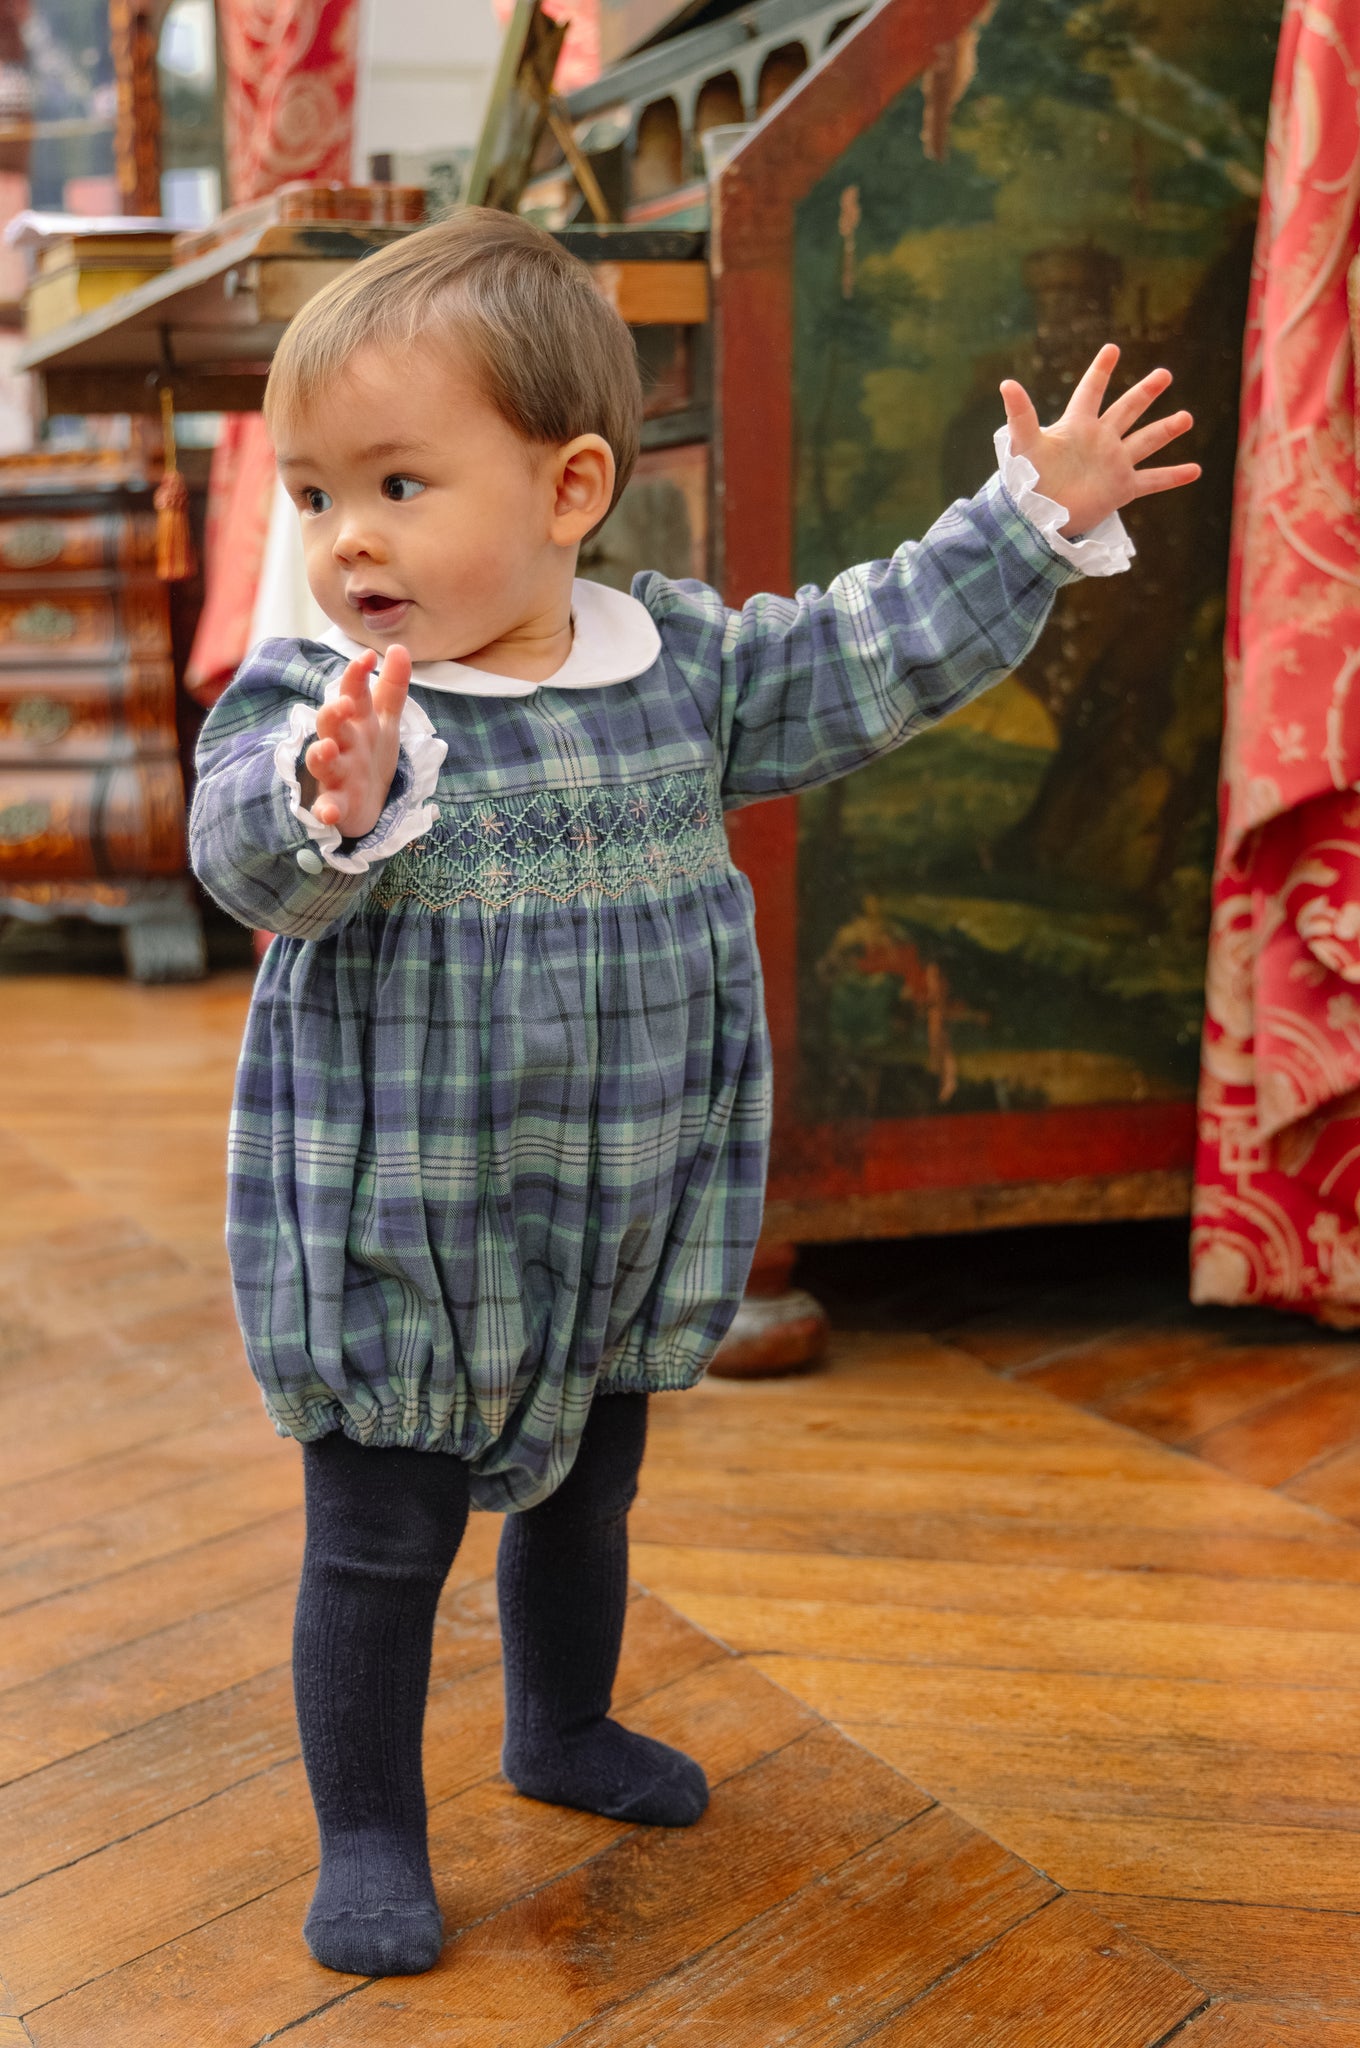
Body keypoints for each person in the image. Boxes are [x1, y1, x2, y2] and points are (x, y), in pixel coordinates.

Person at [189, 207, 1199, 1978]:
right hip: (400, 1232)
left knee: (590, 1487)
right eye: (314, 496)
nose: (347, 540)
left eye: (399, 486)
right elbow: (247, 857)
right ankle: (364, 1830)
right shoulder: (323, 700)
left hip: (619, 1206)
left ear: (571, 486)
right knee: (375, 1539)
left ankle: (559, 1728)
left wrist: (1025, 524)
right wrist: (323, 800)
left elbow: (865, 652)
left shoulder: (680, 676)